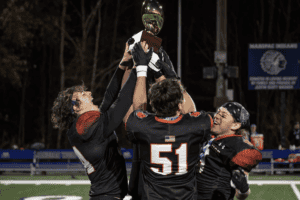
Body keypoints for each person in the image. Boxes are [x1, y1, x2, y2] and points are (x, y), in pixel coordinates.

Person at [51, 40, 151, 200]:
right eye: (83, 95)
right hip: (108, 196)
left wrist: (124, 62)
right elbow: (122, 103)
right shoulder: (89, 128)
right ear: (75, 108)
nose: (89, 93)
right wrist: (140, 67)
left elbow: (109, 98)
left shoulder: (82, 126)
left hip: (104, 194)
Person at [125, 66, 213, 200]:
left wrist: (141, 70)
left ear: (152, 104)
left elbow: (135, 108)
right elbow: (190, 110)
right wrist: (170, 78)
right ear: (179, 105)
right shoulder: (194, 125)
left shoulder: (143, 126)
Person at [196, 102, 262, 200]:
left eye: (223, 115)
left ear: (235, 125)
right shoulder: (210, 136)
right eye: (217, 112)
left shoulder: (233, 143)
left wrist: (243, 188)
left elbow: (254, 155)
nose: (217, 116)